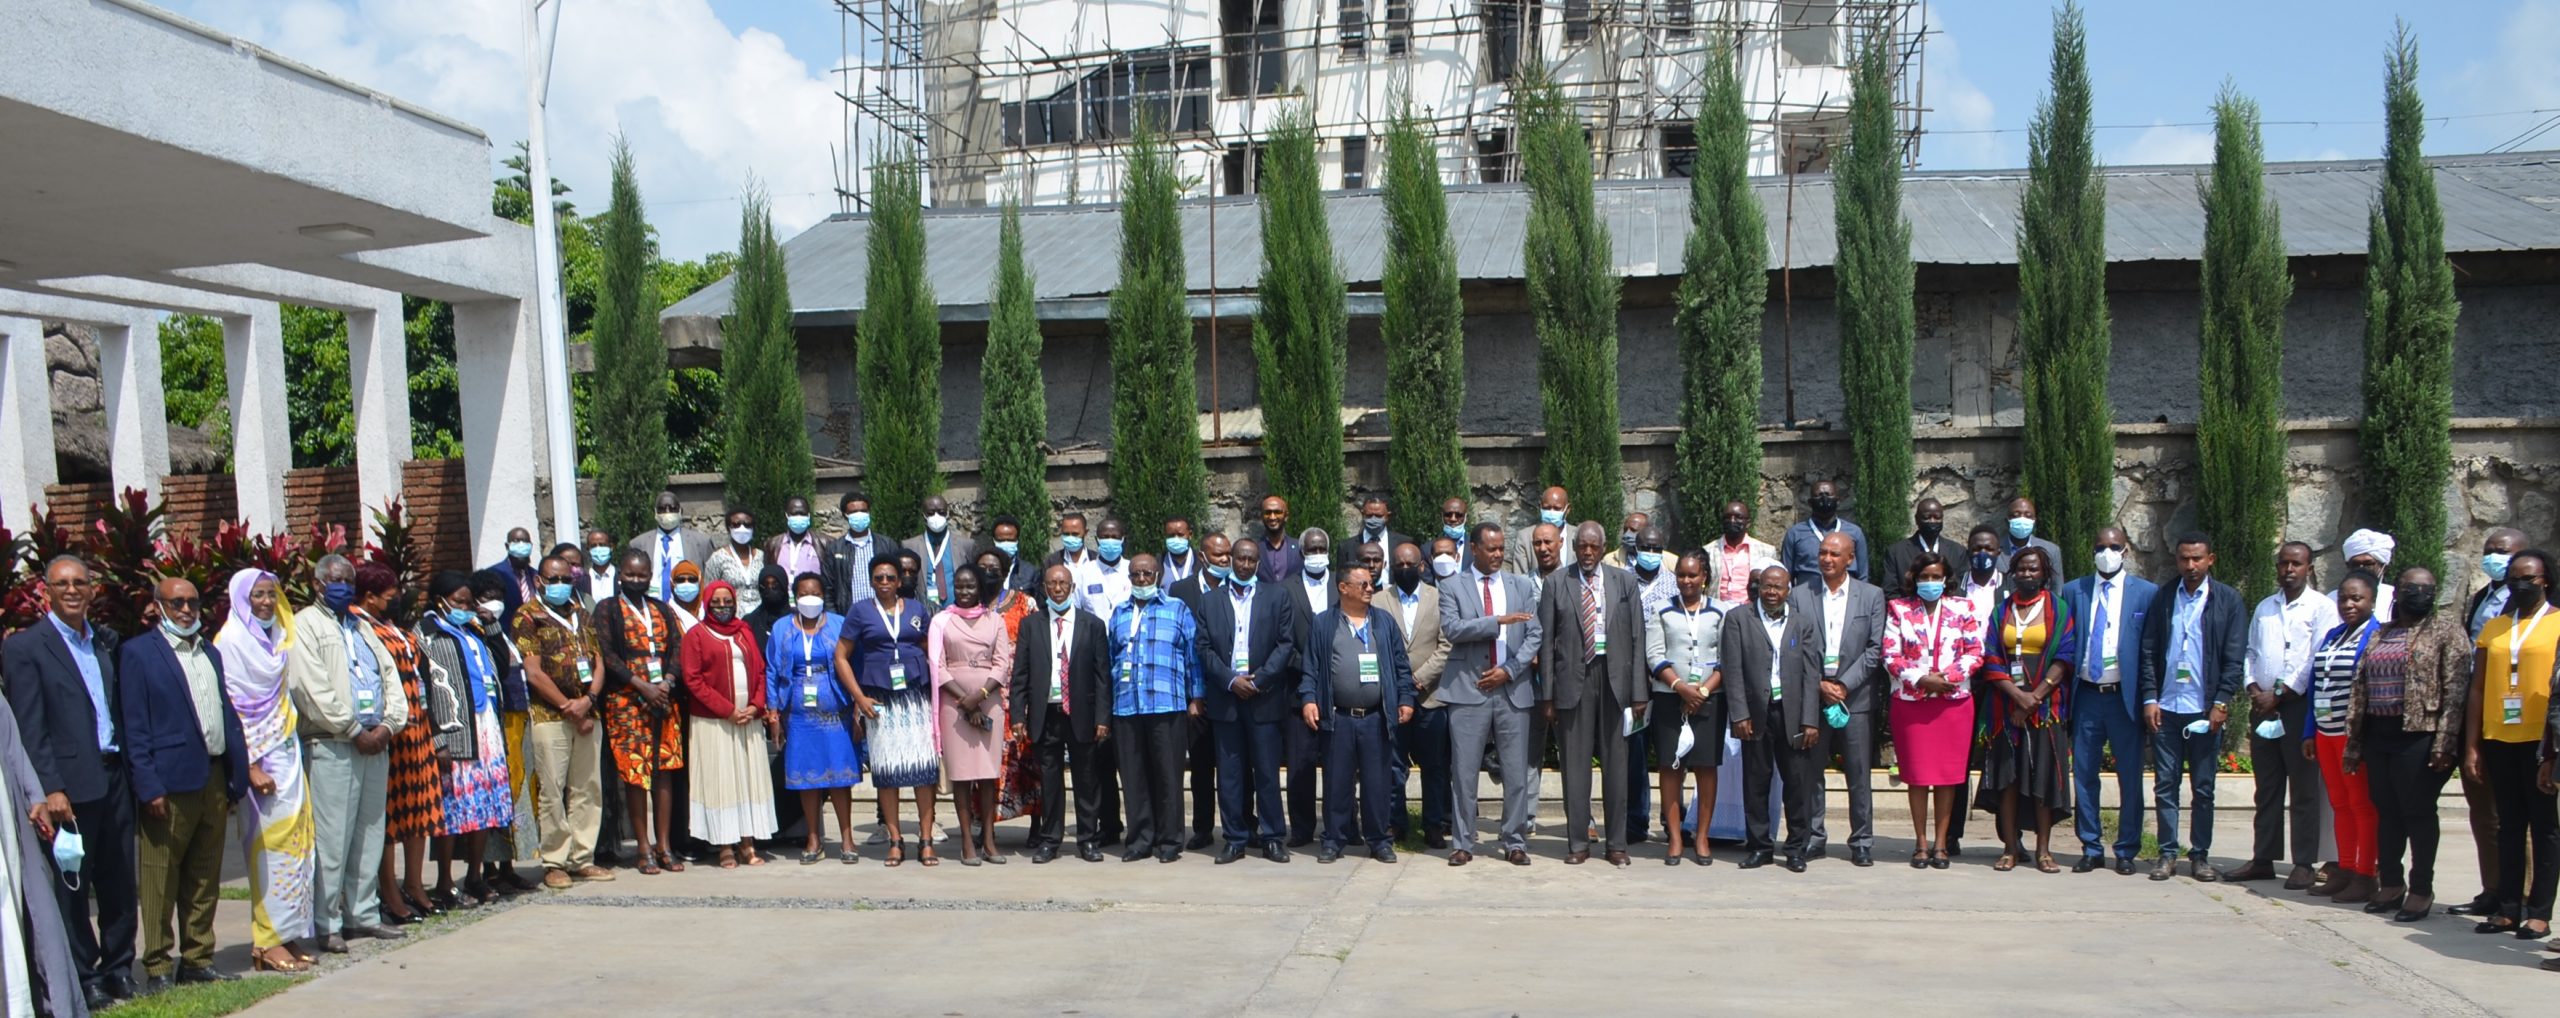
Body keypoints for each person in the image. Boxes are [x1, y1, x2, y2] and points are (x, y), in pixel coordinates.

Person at [2, 557, 142, 1003]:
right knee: (73, 884)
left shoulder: (104, 642)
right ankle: (85, 975)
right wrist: (50, 787)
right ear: (47, 591)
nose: (72, 590)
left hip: (114, 775)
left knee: (120, 879)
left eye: (80, 582)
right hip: (69, 785)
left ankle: (120, 966)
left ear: (92, 590)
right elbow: (29, 726)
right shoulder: (26, 648)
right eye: (62, 583)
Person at [120, 576, 249, 990]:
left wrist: (235, 772)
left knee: (204, 875)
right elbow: (135, 726)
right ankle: (158, 963)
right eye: (177, 603)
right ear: (159, 606)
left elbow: (223, 711)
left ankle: (197, 958)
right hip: (168, 783)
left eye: (193, 602)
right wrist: (148, 785)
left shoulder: (209, 651)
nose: (187, 610)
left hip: (213, 775)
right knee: (160, 878)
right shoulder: (139, 653)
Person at [284, 554, 408, 951]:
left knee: (369, 832)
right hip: (333, 742)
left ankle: (363, 914)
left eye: (349, 582)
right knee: (332, 837)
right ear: (318, 584)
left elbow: (389, 676)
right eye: (335, 581)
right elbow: (309, 687)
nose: (343, 588)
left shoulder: (361, 625)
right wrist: (352, 728)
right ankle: (327, 922)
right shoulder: (304, 625)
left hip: (375, 742)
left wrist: (389, 724)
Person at [204, 570, 315, 976]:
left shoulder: (274, 640)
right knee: (269, 851)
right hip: (259, 761)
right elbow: (232, 708)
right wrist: (249, 765)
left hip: (287, 752)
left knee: (297, 846)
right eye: (257, 595)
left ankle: (287, 931)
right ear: (240, 599)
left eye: (271, 594)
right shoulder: (231, 642)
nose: (267, 602)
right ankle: (267, 941)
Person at [2346, 567, 2470, 922]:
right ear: (2397, 592)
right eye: (2411, 588)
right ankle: (2391, 882)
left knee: (2417, 811)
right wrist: (2355, 741)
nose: (2419, 594)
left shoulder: (2446, 629)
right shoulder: (2381, 632)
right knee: (2386, 811)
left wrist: (2445, 741)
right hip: (2379, 733)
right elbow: (2360, 686)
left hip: (2421, 734)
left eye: (2427, 589)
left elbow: (2456, 690)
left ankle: (2421, 888)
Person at [2224, 542, 2339, 888]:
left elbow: (2316, 657)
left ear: (2309, 569)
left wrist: (2280, 693)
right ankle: (2263, 858)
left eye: (2296, 564)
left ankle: (2304, 862)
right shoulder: (2265, 607)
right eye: (2284, 563)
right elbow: (2251, 652)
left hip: (2298, 707)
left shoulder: (2322, 608)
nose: (2289, 570)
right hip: (2263, 707)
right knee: (2267, 787)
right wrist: (2252, 687)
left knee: (2303, 789)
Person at [2140, 533, 2249, 882]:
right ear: (2177, 560)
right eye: (2184, 558)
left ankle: (2200, 856)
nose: (2190, 565)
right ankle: (2167, 854)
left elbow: (2234, 657)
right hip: (2167, 708)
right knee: (2165, 785)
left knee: (2203, 788)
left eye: (2197, 558)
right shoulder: (2164, 597)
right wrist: (2150, 697)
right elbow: (2148, 651)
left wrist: (2222, 701)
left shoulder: (2227, 600)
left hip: (2205, 711)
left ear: (2210, 559)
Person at [1539, 522, 1648, 868]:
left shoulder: (1624, 582)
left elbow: (1637, 637)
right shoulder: (1557, 583)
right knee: (1575, 767)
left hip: (1615, 679)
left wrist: (1639, 692)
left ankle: (1616, 844)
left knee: (1617, 766)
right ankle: (1578, 843)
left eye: (1593, 547)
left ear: (1603, 548)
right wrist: (1548, 696)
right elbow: (1546, 643)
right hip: (1573, 681)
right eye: (1582, 547)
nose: (1587, 553)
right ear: (1574, 548)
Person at [1298, 566, 1415, 863]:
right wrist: (1309, 699)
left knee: (1377, 783)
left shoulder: (1384, 622)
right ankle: (1333, 840)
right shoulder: (1324, 623)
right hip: (1339, 717)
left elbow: (1401, 666)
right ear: (1343, 588)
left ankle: (1379, 840)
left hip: (1376, 717)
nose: (1369, 588)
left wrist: (1405, 698)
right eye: (1363, 584)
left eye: (1371, 584)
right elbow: (1310, 667)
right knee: (1337, 783)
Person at [1440, 524, 1542, 866]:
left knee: (1515, 772)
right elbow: (1452, 629)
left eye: (1501, 548)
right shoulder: (1452, 586)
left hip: (1512, 689)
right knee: (1464, 773)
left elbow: (1534, 635)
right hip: (1468, 690)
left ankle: (1515, 841)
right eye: (1491, 549)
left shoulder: (1521, 585)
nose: (1498, 554)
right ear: (1474, 549)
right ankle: (1463, 843)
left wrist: (1509, 670)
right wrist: (1496, 621)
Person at [2473, 549, 2560, 938]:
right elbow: (2477, 688)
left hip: (2541, 740)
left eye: (2529, 579)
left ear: (2545, 580)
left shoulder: (2557, 622)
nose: (2520, 585)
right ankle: (2508, 907)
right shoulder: (2495, 627)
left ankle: (2539, 911)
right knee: (2508, 825)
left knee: (2544, 827)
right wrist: (2472, 743)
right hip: (2498, 736)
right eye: (2514, 579)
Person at [1197, 537, 1299, 864]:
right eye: (1239, 558)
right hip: (1226, 700)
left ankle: (1272, 838)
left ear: (1258, 563)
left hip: (1263, 698)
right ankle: (1235, 839)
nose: (1244, 564)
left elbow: (1285, 644)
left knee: (1267, 773)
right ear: (1231, 560)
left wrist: (1260, 680)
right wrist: (1230, 680)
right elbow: (1203, 648)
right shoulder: (1210, 601)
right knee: (1229, 775)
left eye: (1251, 559)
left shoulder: (1277, 597)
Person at [1976, 546, 2077, 874]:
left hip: (2046, 707)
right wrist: (2017, 698)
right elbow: (1991, 656)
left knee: (2042, 777)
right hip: (2005, 706)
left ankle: (2044, 851)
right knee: (2008, 778)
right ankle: (2009, 848)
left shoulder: (2058, 609)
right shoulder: (2001, 610)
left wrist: (2035, 697)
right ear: (2012, 574)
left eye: (2033, 569)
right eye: (2021, 569)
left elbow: (2066, 655)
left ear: (2044, 573)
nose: (2027, 574)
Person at [352, 564, 443, 923]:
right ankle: (389, 890)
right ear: (369, 596)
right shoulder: (359, 626)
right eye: (390, 595)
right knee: (390, 817)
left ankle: (415, 885)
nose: (397, 599)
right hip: (391, 732)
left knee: (419, 808)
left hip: (418, 730)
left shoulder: (392, 626)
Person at [514, 555, 611, 890]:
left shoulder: (581, 614)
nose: (560, 585)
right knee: (552, 789)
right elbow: (533, 672)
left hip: (588, 712)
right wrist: (568, 707)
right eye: (553, 580)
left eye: (565, 580)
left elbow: (598, 663)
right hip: (550, 714)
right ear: (539, 581)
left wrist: (589, 700)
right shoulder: (528, 616)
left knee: (587, 787)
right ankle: (555, 861)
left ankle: (583, 858)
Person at [417, 572, 515, 904]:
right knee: (453, 809)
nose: (464, 607)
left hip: (486, 726)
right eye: (458, 602)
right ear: (440, 600)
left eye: (468, 602)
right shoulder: (426, 633)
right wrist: (437, 738)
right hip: (455, 729)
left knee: (483, 805)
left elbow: (501, 667)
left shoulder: (474, 630)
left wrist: (490, 625)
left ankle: (475, 876)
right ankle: (445, 882)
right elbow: (424, 688)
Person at [2062, 527, 2155, 874]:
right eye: (2101, 547)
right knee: (2084, 774)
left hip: (2124, 698)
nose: (2107, 553)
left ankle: (2127, 849)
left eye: (2114, 547)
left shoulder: (2146, 593)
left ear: (2126, 551)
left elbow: (2151, 650)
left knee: (2129, 776)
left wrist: (2150, 697)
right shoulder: (2074, 590)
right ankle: (2090, 846)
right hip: (2086, 694)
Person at [1881, 553, 1982, 870]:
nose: (1930, 582)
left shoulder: (1963, 607)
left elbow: (1975, 651)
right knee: (1917, 776)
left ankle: (1941, 844)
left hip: (1953, 702)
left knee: (1947, 777)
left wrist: (1945, 679)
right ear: (1914, 578)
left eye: (1936, 577)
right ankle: (1921, 843)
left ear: (1946, 579)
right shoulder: (1899, 608)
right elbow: (1890, 654)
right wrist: (1922, 680)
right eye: (1924, 576)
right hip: (1912, 703)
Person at [1009, 566, 1115, 864]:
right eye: (1052, 583)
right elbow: (1020, 674)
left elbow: (1102, 677)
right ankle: (1050, 840)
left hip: (1082, 714)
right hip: (1046, 713)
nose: (1057, 589)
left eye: (1063, 583)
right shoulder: (1031, 625)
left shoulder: (1092, 625)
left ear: (1072, 587)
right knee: (1050, 780)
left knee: (1086, 779)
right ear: (1044, 587)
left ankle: (1087, 839)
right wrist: (1018, 715)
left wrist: (1103, 718)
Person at [594, 549, 688, 875]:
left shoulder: (661, 608)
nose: (636, 580)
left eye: (642, 575)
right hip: (626, 701)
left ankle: (664, 845)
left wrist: (668, 682)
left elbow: (677, 647)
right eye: (630, 574)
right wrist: (640, 685)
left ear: (650, 576)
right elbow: (607, 654)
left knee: (664, 772)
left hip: (663, 699)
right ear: (620, 575)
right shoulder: (607, 609)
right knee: (636, 774)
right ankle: (643, 847)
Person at [841, 556, 939, 864]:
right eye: (879, 578)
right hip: (879, 698)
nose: (885, 582)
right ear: (871, 581)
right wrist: (859, 698)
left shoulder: (917, 609)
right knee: (886, 772)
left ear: (900, 581)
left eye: (890, 578)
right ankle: (895, 840)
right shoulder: (860, 611)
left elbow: (930, 650)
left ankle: (925, 839)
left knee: (924, 769)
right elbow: (841, 656)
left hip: (916, 697)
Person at [1106, 555, 1203, 863]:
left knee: (1168, 776)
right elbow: (1110, 658)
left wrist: (1197, 697)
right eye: (1135, 575)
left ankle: (1170, 840)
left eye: (1147, 574)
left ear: (1159, 576)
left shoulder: (1177, 609)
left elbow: (1193, 657)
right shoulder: (1120, 613)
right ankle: (1139, 840)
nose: (1142, 579)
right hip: (1126, 707)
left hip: (1167, 705)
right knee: (1133, 778)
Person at [2453, 528, 2527, 918]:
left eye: (2503, 552)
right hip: (2478, 703)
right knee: (2482, 808)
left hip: (2516, 710)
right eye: (2489, 551)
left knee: (2517, 811)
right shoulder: (2482, 596)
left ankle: (2523, 895)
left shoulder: (2536, 604)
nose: (2494, 557)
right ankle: (2492, 888)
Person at [676, 581, 777, 866]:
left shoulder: (744, 631)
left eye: (727, 602)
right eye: (716, 602)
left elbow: (760, 671)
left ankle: (747, 842)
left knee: (747, 780)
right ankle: (725, 845)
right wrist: (727, 710)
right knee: (721, 781)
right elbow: (693, 679)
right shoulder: (697, 635)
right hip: (714, 721)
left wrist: (756, 705)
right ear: (707, 603)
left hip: (748, 720)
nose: (722, 607)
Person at [1729, 565, 1820, 871]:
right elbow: (1733, 670)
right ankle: (1760, 847)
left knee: (1797, 784)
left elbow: (1811, 674)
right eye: (1767, 586)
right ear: (1758, 587)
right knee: (1756, 782)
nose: (1771, 592)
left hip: (1792, 714)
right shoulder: (1739, 619)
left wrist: (1810, 720)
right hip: (1755, 714)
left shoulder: (1802, 623)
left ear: (1787, 590)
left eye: (1778, 587)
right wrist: (1739, 713)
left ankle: (1796, 849)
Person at [768, 573, 862, 864]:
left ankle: (847, 839)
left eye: (816, 594)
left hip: (836, 713)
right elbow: (772, 671)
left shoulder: (838, 623)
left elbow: (854, 663)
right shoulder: (782, 627)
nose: (810, 599)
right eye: (804, 594)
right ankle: (813, 838)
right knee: (806, 777)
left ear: (824, 596)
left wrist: (858, 706)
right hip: (798, 716)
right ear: (795, 597)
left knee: (839, 776)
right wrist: (773, 712)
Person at [2303, 571, 2382, 904]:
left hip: (2353, 736)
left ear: (2372, 601)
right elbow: (2315, 685)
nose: (2348, 604)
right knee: (2339, 804)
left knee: (2361, 805)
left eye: (2357, 598)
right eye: (2343, 598)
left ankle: (2366, 874)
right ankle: (2345, 869)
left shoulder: (2376, 636)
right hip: (2326, 732)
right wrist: (2309, 730)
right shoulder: (2334, 635)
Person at [928, 565, 1014, 866]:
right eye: (960, 586)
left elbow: (1002, 663)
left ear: (980, 588)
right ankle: (967, 841)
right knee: (962, 776)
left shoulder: (995, 620)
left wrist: (981, 695)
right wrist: (965, 700)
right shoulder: (941, 621)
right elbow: (936, 665)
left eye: (971, 586)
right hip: (954, 706)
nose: (964, 592)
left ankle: (989, 839)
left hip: (988, 702)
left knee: (988, 776)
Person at [1645, 552, 1727, 865]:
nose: (1687, 581)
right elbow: (1654, 654)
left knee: (1706, 767)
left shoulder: (1720, 611)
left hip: (1709, 697)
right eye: (1681, 575)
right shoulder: (1661, 609)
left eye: (1693, 575)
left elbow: (1726, 658)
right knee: (1671, 767)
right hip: (1670, 697)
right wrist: (1680, 686)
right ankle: (1676, 838)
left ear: (1704, 577)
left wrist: (1703, 691)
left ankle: (1702, 837)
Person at [1380, 541, 1452, 849]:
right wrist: (1400, 685)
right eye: (1399, 565)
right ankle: (1396, 823)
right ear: (1392, 568)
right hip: (1394, 698)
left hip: (1430, 697)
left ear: (1422, 566)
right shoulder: (1380, 600)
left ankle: (1433, 824)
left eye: (1410, 564)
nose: (1405, 569)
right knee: (1394, 766)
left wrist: (1419, 680)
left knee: (1434, 766)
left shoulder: (1439, 597)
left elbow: (1447, 645)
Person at [1168, 534, 1231, 851]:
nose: (1225, 560)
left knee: (1234, 766)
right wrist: (1193, 693)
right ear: (1203, 557)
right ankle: (1203, 829)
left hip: (1232, 690)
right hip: (1197, 693)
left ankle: (1243, 826)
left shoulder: (1239, 586)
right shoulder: (1181, 590)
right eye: (1218, 555)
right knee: (1202, 767)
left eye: (1227, 554)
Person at [1284, 527, 1336, 846]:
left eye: (1321, 549)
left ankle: (1340, 826)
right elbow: (1281, 638)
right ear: (1301, 552)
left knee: (1339, 765)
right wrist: (1308, 666)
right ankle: (1302, 829)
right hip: (1297, 689)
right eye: (1311, 549)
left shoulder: (1341, 585)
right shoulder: (1285, 588)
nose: (1317, 554)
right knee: (1300, 765)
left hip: (1338, 690)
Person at [1780, 480, 1869, 585]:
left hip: (1846, 593)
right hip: (1807, 592)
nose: (1824, 499)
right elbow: (1786, 576)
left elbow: (1863, 575)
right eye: (1819, 495)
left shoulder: (1854, 532)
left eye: (1828, 494)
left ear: (1838, 501)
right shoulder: (1795, 533)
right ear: (1810, 502)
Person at [630, 490, 713, 601]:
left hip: (688, 605)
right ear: (655, 512)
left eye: (672, 508)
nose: (667, 512)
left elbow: (711, 580)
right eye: (662, 509)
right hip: (650, 605)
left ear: (680, 511)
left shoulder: (701, 542)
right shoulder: (639, 543)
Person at [822, 493, 895, 615]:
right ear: (845, 515)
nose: (859, 515)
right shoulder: (834, 549)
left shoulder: (887, 545)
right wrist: (834, 619)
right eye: (854, 512)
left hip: (883, 614)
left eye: (863, 511)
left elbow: (897, 581)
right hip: (849, 616)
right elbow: (828, 588)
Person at [903, 494, 976, 606]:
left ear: (948, 514)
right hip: (923, 610)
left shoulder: (965, 545)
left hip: (957, 610)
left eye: (941, 512)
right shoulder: (910, 546)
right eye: (931, 513)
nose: (936, 516)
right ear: (924, 515)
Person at [1877, 499, 1954, 603]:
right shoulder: (1896, 552)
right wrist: (1912, 610)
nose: (1932, 521)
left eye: (1937, 517)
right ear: (1917, 519)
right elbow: (1890, 591)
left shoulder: (1957, 551)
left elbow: (1958, 589)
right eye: (1927, 517)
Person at [1708, 501, 1776, 608]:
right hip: (1716, 609)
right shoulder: (1709, 551)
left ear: (1748, 523)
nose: (1732, 520)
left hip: (1750, 610)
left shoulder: (1766, 552)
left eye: (1738, 517)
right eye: (1727, 517)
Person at [1071, 518, 1135, 621]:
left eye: (1115, 537)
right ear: (1097, 540)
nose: (1110, 541)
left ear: (1123, 540)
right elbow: (1075, 609)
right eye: (1105, 537)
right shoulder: (1083, 573)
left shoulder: (1132, 570)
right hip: (1093, 631)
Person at [1996, 497, 2068, 586]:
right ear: (2007, 521)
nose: (2022, 519)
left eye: (2028, 516)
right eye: (2016, 515)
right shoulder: (1994, 550)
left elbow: (2057, 588)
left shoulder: (2051, 550)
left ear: (2034, 521)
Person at [1504, 486, 1570, 575]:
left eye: (1556, 508)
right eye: (1547, 508)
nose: (1551, 512)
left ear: (1567, 509)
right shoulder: (1525, 537)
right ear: (1540, 507)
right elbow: (1519, 577)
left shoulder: (1577, 535)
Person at [2340, 528, 2400, 624]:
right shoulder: (2330, 600)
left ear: (2384, 567)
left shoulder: (2394, 597)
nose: (2361, 569)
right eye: (2355, 564)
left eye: (2368, 564)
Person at [486, 526, 541, 620]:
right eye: (517, 541)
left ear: (531, 546)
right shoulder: (494, 574)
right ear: (507, 546)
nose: (521, 544)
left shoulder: (536, 575)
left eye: (525, 541)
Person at [1957, 525, 2006, 628]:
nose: (1982, 554)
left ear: (1998, 552)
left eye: (1989, 549)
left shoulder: (2010, 585)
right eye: (1977, 549)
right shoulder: (1955, 585)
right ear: (1968, 552)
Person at [769, 496, 826, 582]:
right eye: (794, 514)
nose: (798, 517)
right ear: (787, 515)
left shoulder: (824, 543)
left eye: (802, 514)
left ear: (808, 515)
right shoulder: (773, 544)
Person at [1253, 497, 1303, 583]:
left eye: (1277, 512)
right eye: (1267, 513)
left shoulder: (1300, 548)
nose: (1272, 517)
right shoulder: (1255, 549)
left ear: (1286, 516)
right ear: (1261, 517)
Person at [987, 517, 1037, 593]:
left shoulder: (1030, 572)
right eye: (1001, 540)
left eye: (1010, 540)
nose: (1006, 543)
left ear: (1017, 540)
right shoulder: (984, 570)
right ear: (993, 540)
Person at [743, 564, 793, 639]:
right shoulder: (750, 622)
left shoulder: (797, 620)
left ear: (783, 586)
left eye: (775, 585)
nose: (770, 588)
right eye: (766, 585)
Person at [582, 529, 622, 606]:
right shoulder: (582, 579)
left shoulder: (621, 577)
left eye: (602, 545)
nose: (598, 549)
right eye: (593, 546)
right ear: (588, 549)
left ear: (611, 547)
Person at [1160, 517, 1201, 586]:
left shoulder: (1202, 561)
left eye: (1180, 535)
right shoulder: (1158, 562)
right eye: (1171, 535)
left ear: (1190, 535)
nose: (1176, 539)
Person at [665, 561, 705, 631]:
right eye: (680, 580)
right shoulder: (666, 613)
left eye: (692, 579)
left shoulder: (708, 612)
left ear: (699, 582)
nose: (686, 583)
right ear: (673, 583)